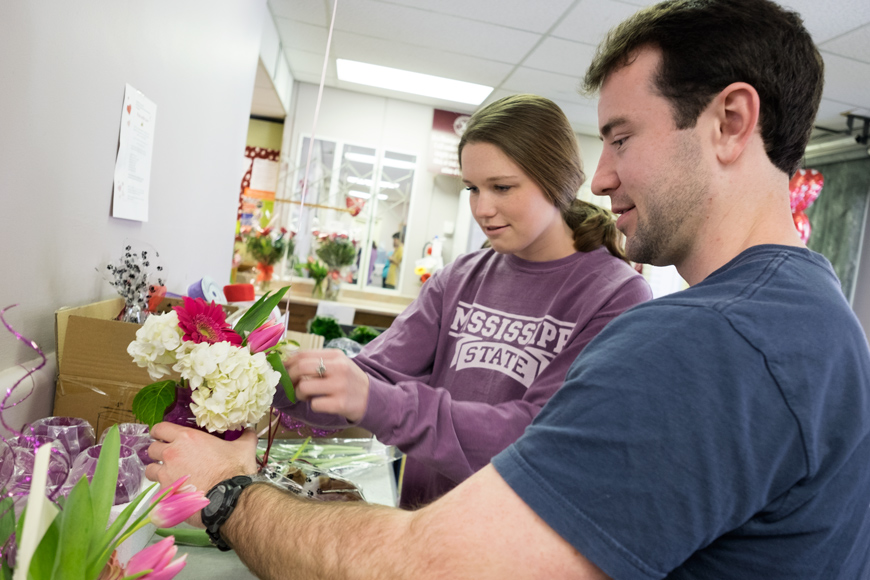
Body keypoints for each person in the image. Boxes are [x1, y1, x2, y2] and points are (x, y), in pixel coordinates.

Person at [146, 0, 870, 577]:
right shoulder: (817, 320)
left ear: (731, 122)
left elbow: (427, 567)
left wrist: (230, 491)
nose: (601, 175)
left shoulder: (705, 341)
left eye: (620, 138)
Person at [272, 94, 651, 507]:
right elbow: (373, 376)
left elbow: (535, 436)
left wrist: (377, 402)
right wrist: (262, 378)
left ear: (557, 181)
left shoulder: (616, 295)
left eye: (501, 187)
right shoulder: (459, 278)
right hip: (423, 522)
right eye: (472, 188)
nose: (482, 208)